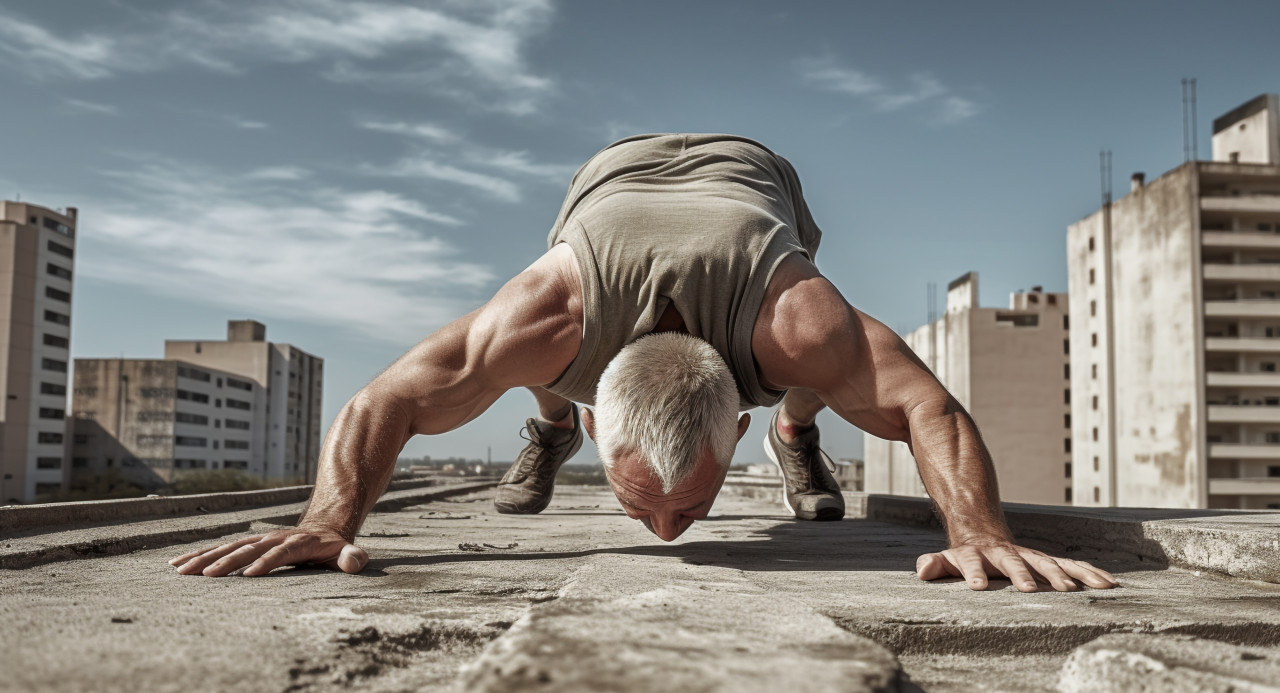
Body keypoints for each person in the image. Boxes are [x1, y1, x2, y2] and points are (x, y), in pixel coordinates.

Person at [171, 134, 1117, 593]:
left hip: (756, 177)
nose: (667, 534)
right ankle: (543, 427)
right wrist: (328, 520)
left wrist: (981, 529)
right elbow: (389, 399)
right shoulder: (543, 318)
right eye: (647, 507)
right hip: (608, 182)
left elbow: (927, 406)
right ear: (598, 426)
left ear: (732, 428)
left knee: (821, 374)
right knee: (527, 359)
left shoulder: (797, 325)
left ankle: (797, 435)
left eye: (688, 507)